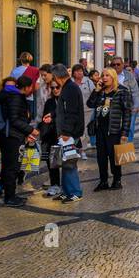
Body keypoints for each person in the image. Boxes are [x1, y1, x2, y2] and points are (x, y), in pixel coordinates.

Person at [0, 74, 36, 206]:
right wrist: (30, 130)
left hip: (11, 136)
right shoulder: (16, 98)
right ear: (27, 87)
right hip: (12, 137)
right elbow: (15, 119)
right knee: (12, 167)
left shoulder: (13, 96)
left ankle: (10, 194)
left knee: (9, 167)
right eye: (31, 87)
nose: (32, 90)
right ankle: (10, 197)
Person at [88, 67, 133, 191]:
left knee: (114, 157)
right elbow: (90, 104)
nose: (104, 78)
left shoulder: (122, 91)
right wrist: (96, 90)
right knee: (101, 157)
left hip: (114, 130)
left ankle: (117, 180)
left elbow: (127, 113)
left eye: (107, 75)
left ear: (113, 77)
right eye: (103, 75)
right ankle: (103, 181)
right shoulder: (100, 91)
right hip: (100, 129)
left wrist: (125, 132)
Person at [49, 63, 85, 203]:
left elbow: (72, 113)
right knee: (64, 162)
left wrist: (66, 132)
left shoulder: (70, 88)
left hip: (69, 133)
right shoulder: (68, 87)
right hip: (66, 132)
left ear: (57, 76)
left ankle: (75, 192)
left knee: (69, 163)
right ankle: (66, 191)